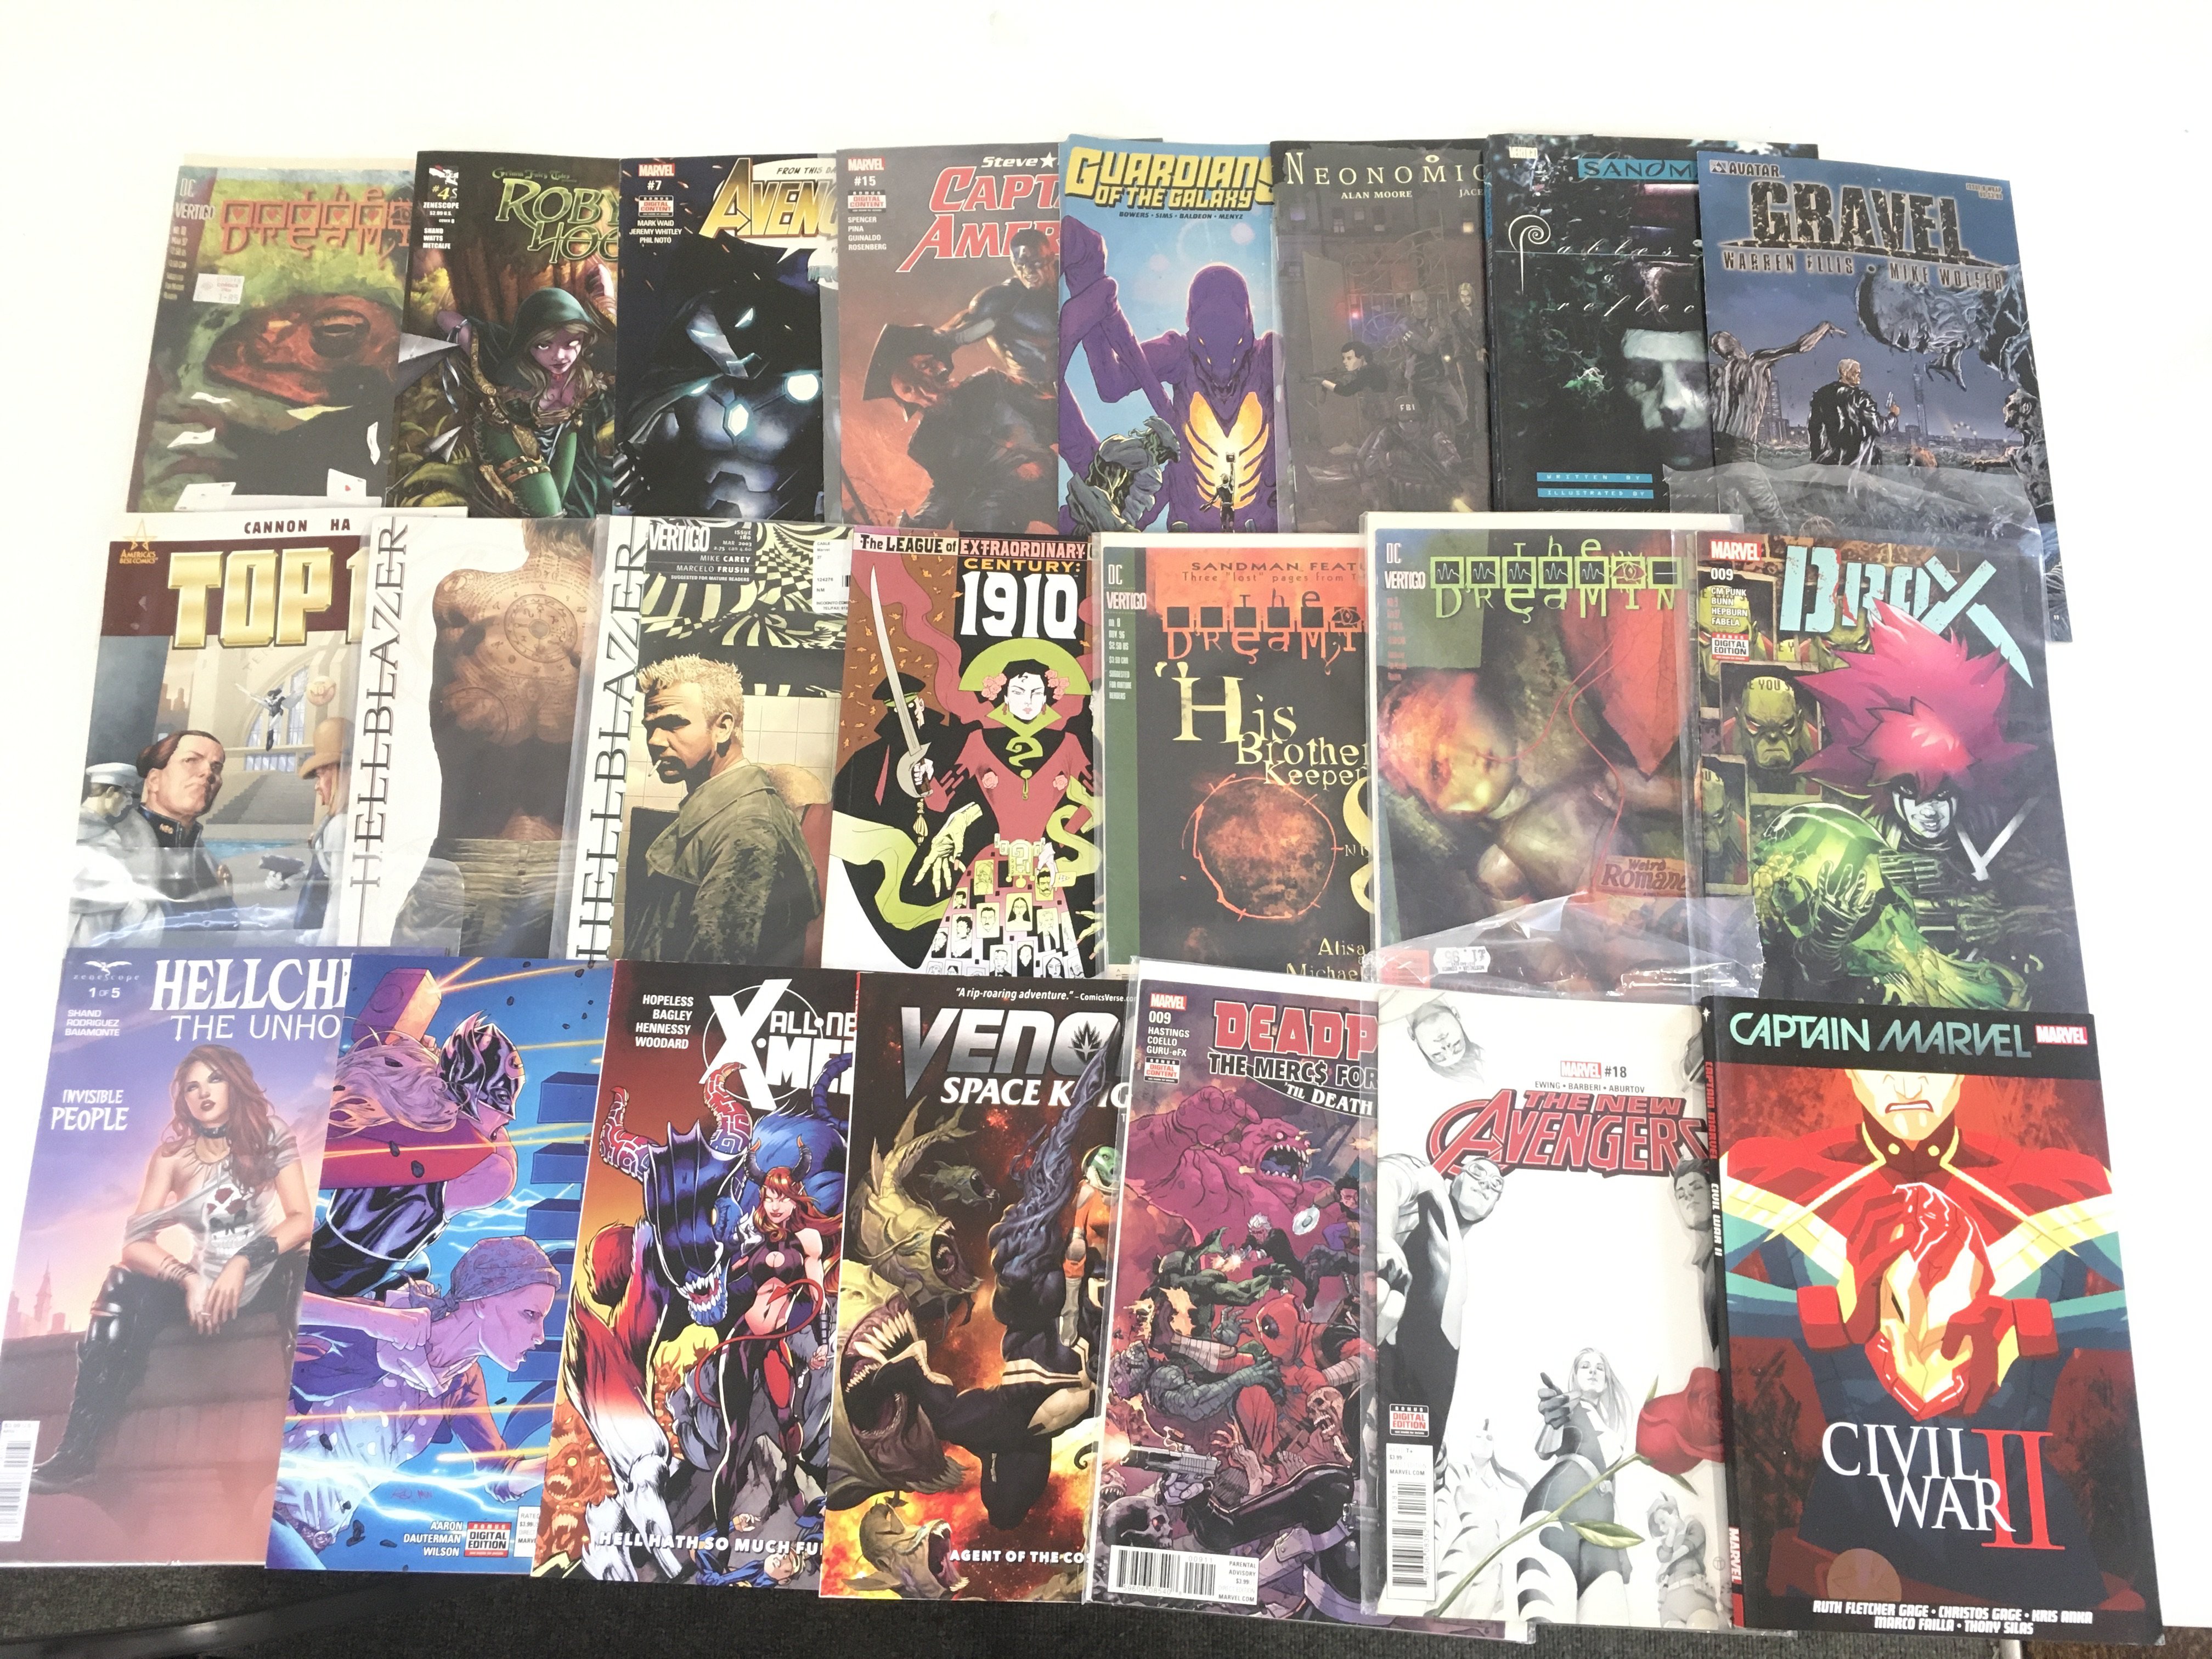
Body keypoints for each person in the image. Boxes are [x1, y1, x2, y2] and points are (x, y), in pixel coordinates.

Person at [32, 1046, 311, 1489]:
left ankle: (307, 1436)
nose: (204, 1093)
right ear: (182, 1099)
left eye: (215, 1080)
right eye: (192, 1087)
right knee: (121, 1283)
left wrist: (242, 1261)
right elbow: (134, 1244)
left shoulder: (269, 1136)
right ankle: (77, 1453)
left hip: (263, 1279)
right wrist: (189, 1278)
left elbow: (300, 1219)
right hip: (200, 1289)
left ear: (235, 1083)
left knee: (305, 1266)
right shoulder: (171, 1159)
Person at [268, 1235, 559, 1567]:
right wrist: (374, 1324)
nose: (540, 1335)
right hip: (265, 1509)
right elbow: (276, 1311)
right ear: (482, 1301)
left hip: (313, 1541)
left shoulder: (462, 1382)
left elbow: (499, 1474)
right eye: (530, 1314)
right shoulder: (388, 1320)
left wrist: (562, 1464)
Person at [622, 654, 821, 964]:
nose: (656, 741)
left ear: (723, 728)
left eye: (673, 724)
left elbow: (716, 971)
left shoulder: (748, 829)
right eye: (651, 727)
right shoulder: (722, 812)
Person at [434, 285, 614, 517]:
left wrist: (607, 293)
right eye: (544, 345)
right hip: (507, 432)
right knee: (549, 510)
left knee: (563, 509)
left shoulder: (586, 374)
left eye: (571, 343)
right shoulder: (508, 366)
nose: (559, 356)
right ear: (527, 343)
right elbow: (445, 319)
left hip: (565, 433)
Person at [70, 729, 233, 946]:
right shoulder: (106, 854)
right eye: (191, 760)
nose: (208, 773)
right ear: (154, 780)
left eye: (217, 767)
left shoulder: (210, 865)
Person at [1707, 321, 1847, 462]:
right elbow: (1801, 346)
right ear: (1735, 343)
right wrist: (1825, 327)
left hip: (1715, 445)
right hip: (1740, 447)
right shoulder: (1755, 362)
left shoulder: (1717, 374)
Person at [293, 718, 349, 941]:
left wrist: (326, 946)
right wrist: (297, 877)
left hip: (322, 937)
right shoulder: (336, 823)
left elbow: (338, 895)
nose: (317, 786)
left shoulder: (340, 825)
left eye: (320, 775)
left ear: (340, 774)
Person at [1808, 358, 1882, 467]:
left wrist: (1816, 457)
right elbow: (1878, 427)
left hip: (1833, 460)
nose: (1860, 376)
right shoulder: (1861, 397)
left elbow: (1814, 429)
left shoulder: (1821, 395)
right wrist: (1893, 416)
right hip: (1860, 462)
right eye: (1856, 373)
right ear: (1844, 372)